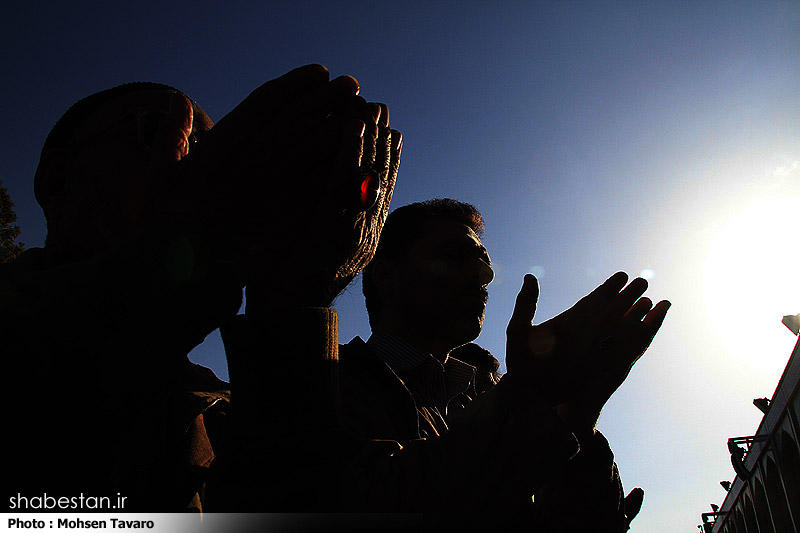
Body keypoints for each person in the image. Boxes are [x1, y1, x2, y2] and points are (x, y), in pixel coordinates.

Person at [2, 64, 401, 512]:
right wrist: (170, 253)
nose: (199, 168)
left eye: (210, 149)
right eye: (164, 132)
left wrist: (293, 302)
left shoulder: (222, 409)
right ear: (56, 179)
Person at [333, 198, 670, 530]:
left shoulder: (493, 396)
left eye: (483, 262)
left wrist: (579, 414)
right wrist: (532, 398)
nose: (485, 274)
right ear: (387, 275)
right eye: (453, 256)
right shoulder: (319, 386)